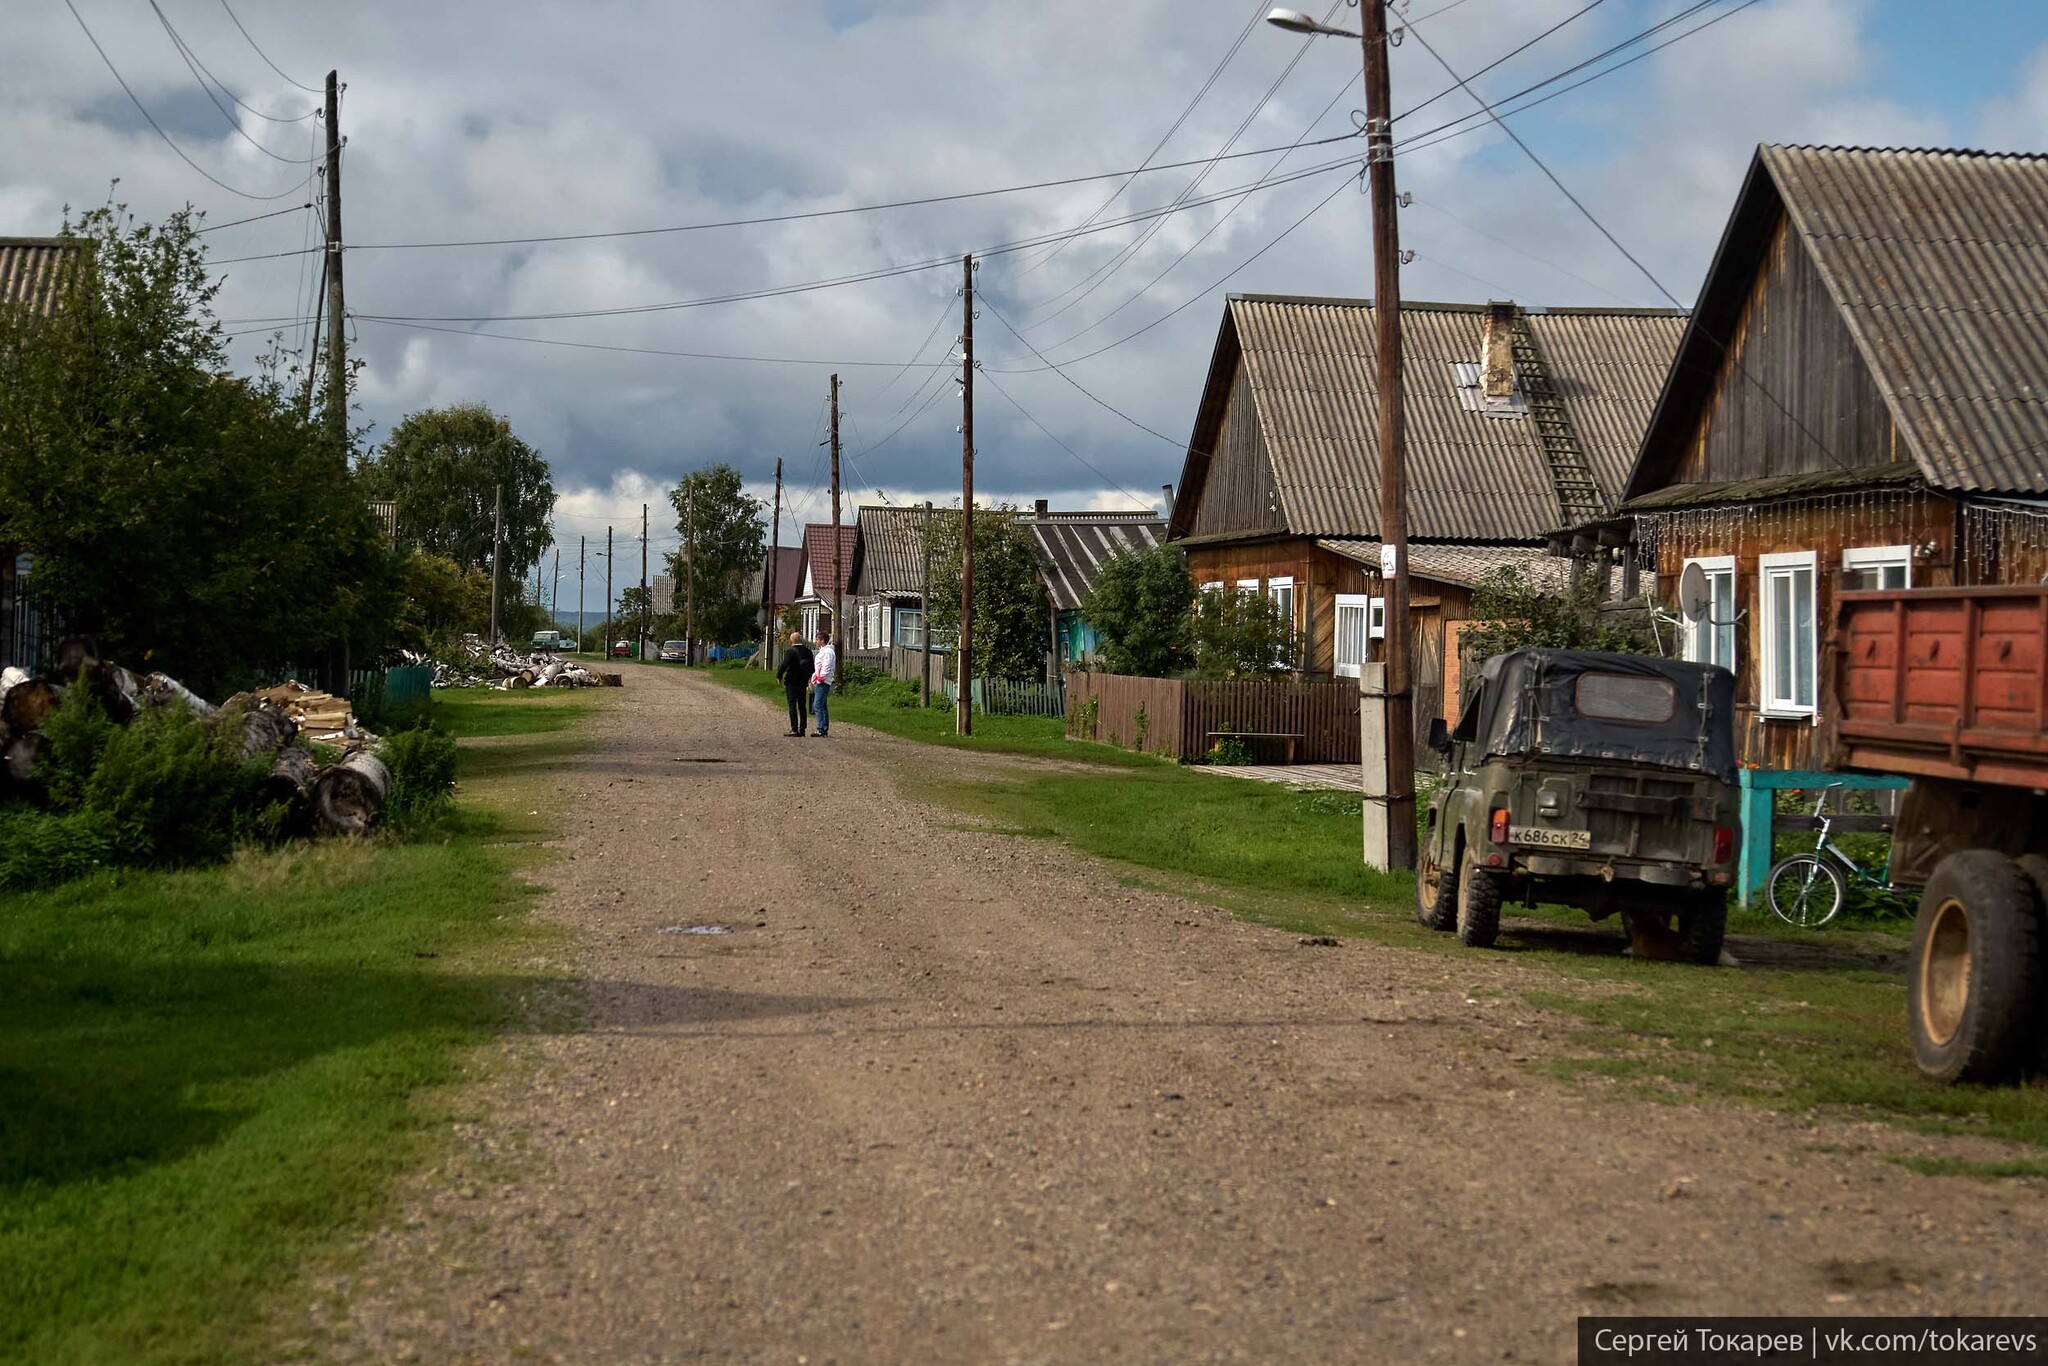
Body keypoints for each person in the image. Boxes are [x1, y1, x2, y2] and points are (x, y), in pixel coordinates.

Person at [775, 630, 814, 737]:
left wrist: (779, 676)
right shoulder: (808, 651)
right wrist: (809, 678)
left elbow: (784, 665)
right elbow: (812, 667)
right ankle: (802, 729)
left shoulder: (790, 652)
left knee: (792, 705)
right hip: (803, 681)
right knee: (802, 705)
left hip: (792, 681)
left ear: (792, 640)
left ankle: (794, 729)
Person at [810, 629, 837, 738]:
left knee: (817, 705)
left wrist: (821, 677)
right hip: (819, 680)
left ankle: (821, 728)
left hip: (823, 681)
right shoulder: (823, 651)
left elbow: (827, 665)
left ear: (822, 640)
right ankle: (824, 728)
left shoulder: (828, 652)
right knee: (822, 705)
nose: (816, 641)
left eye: (817, 639)